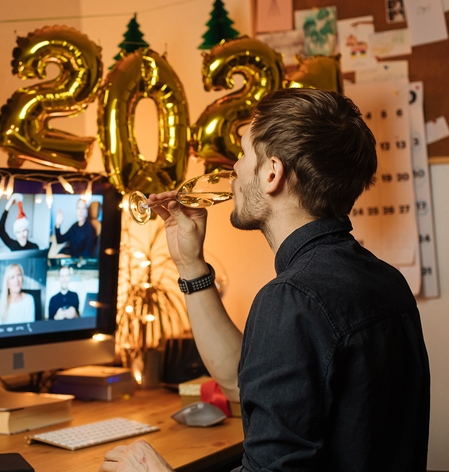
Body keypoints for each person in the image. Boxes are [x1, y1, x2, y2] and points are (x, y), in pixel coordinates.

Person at [99, 89, 430, 471]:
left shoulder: (292, 298)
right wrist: (190, 264)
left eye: (242, 153)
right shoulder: (384, 280)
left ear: (272, 173)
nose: (234, 170)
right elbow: (246, 386)